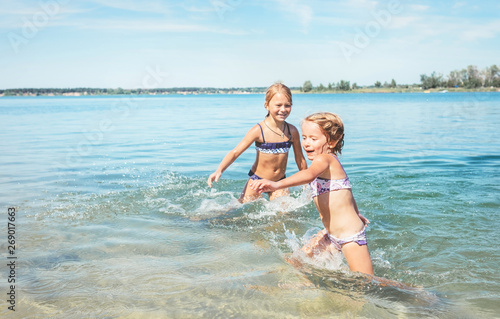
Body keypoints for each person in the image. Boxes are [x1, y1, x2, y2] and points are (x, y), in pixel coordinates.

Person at [250, 112, 373, 275]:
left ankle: (412, 293)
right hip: (331, 233)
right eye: (304, 137)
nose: (307, 143)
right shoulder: (325, 163)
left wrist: (275, 184)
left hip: (349, 236)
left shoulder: (325, 159)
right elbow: (346, 191)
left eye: (313, 139)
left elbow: (308, 175)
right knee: (295, 261)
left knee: (367, 283)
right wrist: (356, 212)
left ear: (332, 141)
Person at [207, 83, 307, 203]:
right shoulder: (259, 130)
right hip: (257, 181)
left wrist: (305, 179)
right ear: (267, 105)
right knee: (239, 213)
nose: (283, 110)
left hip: (279, 182)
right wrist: (219, 170)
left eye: (287, 105)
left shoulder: (292, 131)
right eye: (278, 105)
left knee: (284, 215)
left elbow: (300, 159)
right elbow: (235, 152)